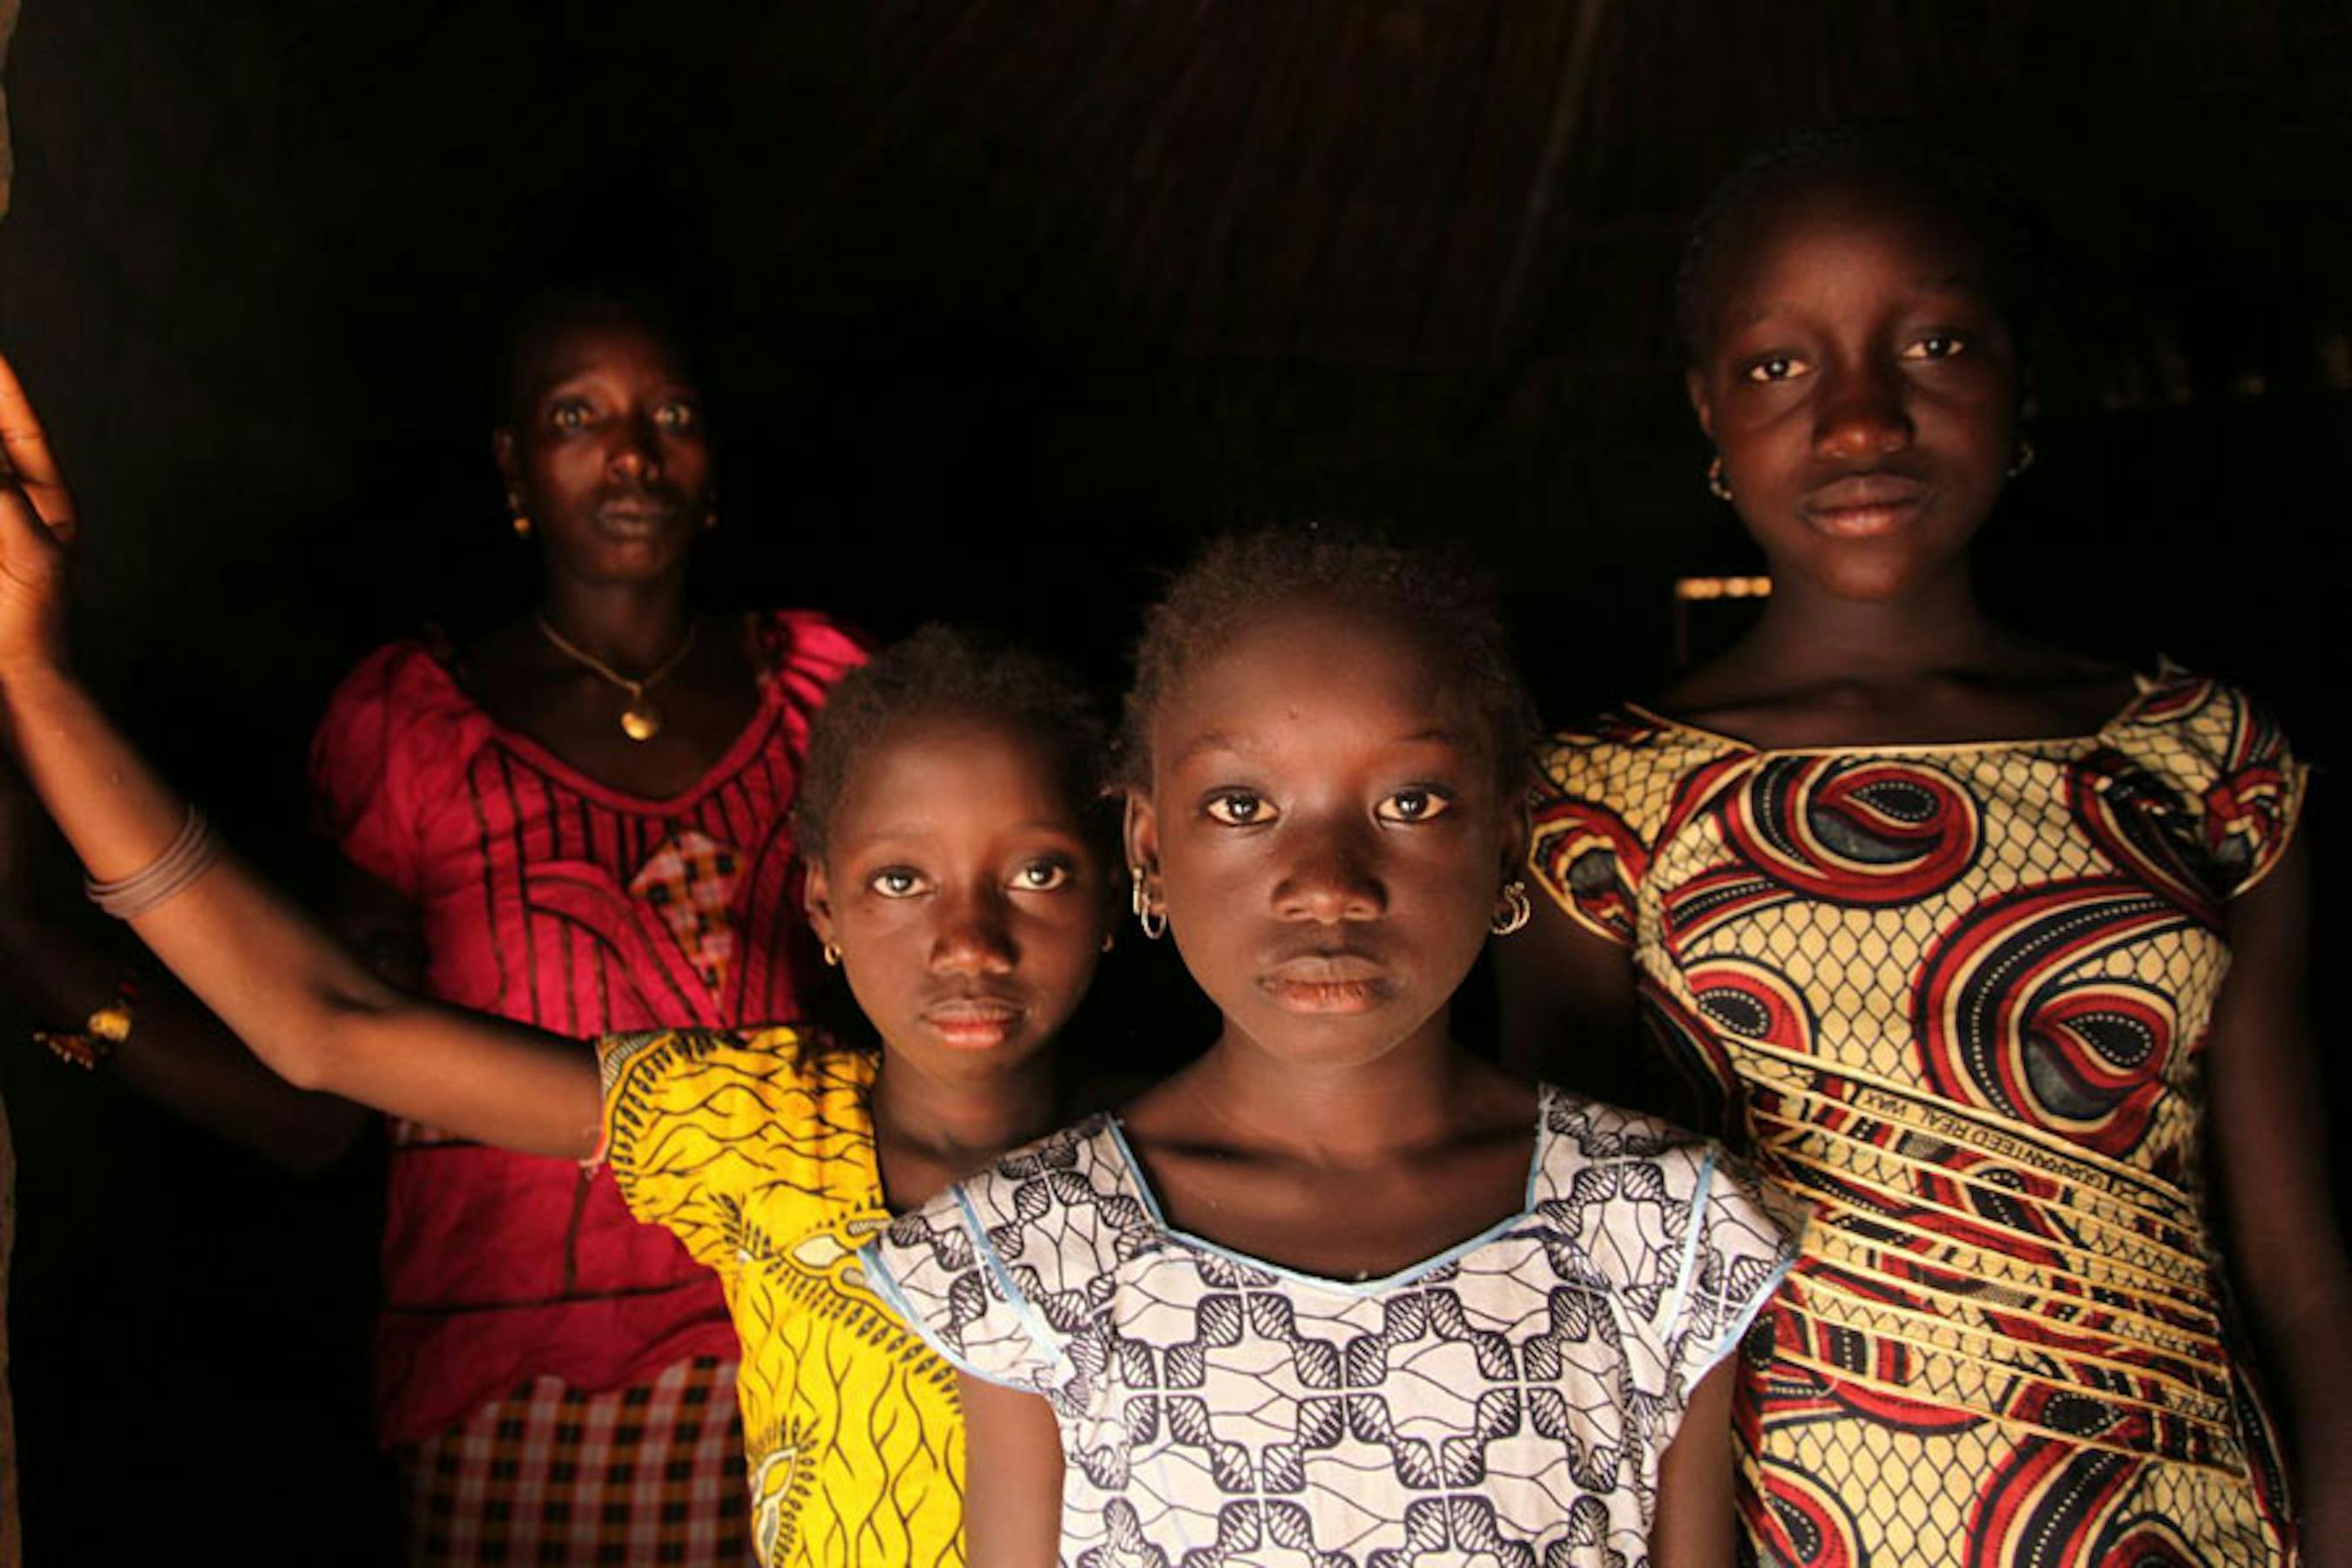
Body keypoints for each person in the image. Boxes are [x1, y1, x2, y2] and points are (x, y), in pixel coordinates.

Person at [0, 350, 1123, 1566]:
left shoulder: (1169, 1170)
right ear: (822, 903)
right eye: (900, 879)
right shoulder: (752, 1128)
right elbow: (325, 1026)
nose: (967, 936)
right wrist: (30, 670)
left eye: (1039, 872)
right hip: (513, 1385)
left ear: (1124, 887)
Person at [1497, 130, 2350, 1565]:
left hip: (2183, 1534)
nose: (1858, 420)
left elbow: (2295, 1264)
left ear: (2020, 384)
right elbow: (1585, 1283)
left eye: (1937, 342)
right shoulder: (1599, 807)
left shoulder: (2205, 762)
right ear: (1709, 411)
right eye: (1781, 365)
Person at [866, 532, 1803, 1567]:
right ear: (1148, 848)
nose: (1326, 882)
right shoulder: (1034, 1251)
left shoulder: (1659, 1234)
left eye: (1409, 802)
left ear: (1503, 841)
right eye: (1241, 806)